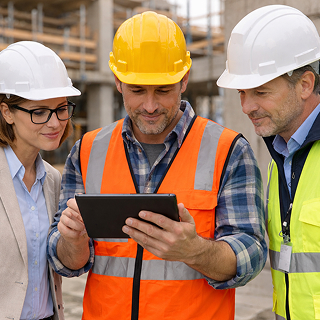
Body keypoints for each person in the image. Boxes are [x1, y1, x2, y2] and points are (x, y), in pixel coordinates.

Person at [47, 11, 267, 320]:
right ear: (117, 81)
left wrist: (195, 251)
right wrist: (72, 241)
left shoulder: (228, 150)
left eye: (163, 90)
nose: (150, 106)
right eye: (137, 90)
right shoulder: (87, 151)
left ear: (185, 79)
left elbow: (252, 254)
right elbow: (66, 263)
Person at [217, 4, 320, 320]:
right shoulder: (280, 158)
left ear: (304, 84)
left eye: (260, 92)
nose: (247, 107)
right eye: (242, 93)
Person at [0, 41, 80, 320]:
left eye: (60, 108)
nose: (55, 123)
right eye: (39, 112)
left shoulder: (53, 179)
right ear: (7, 112)